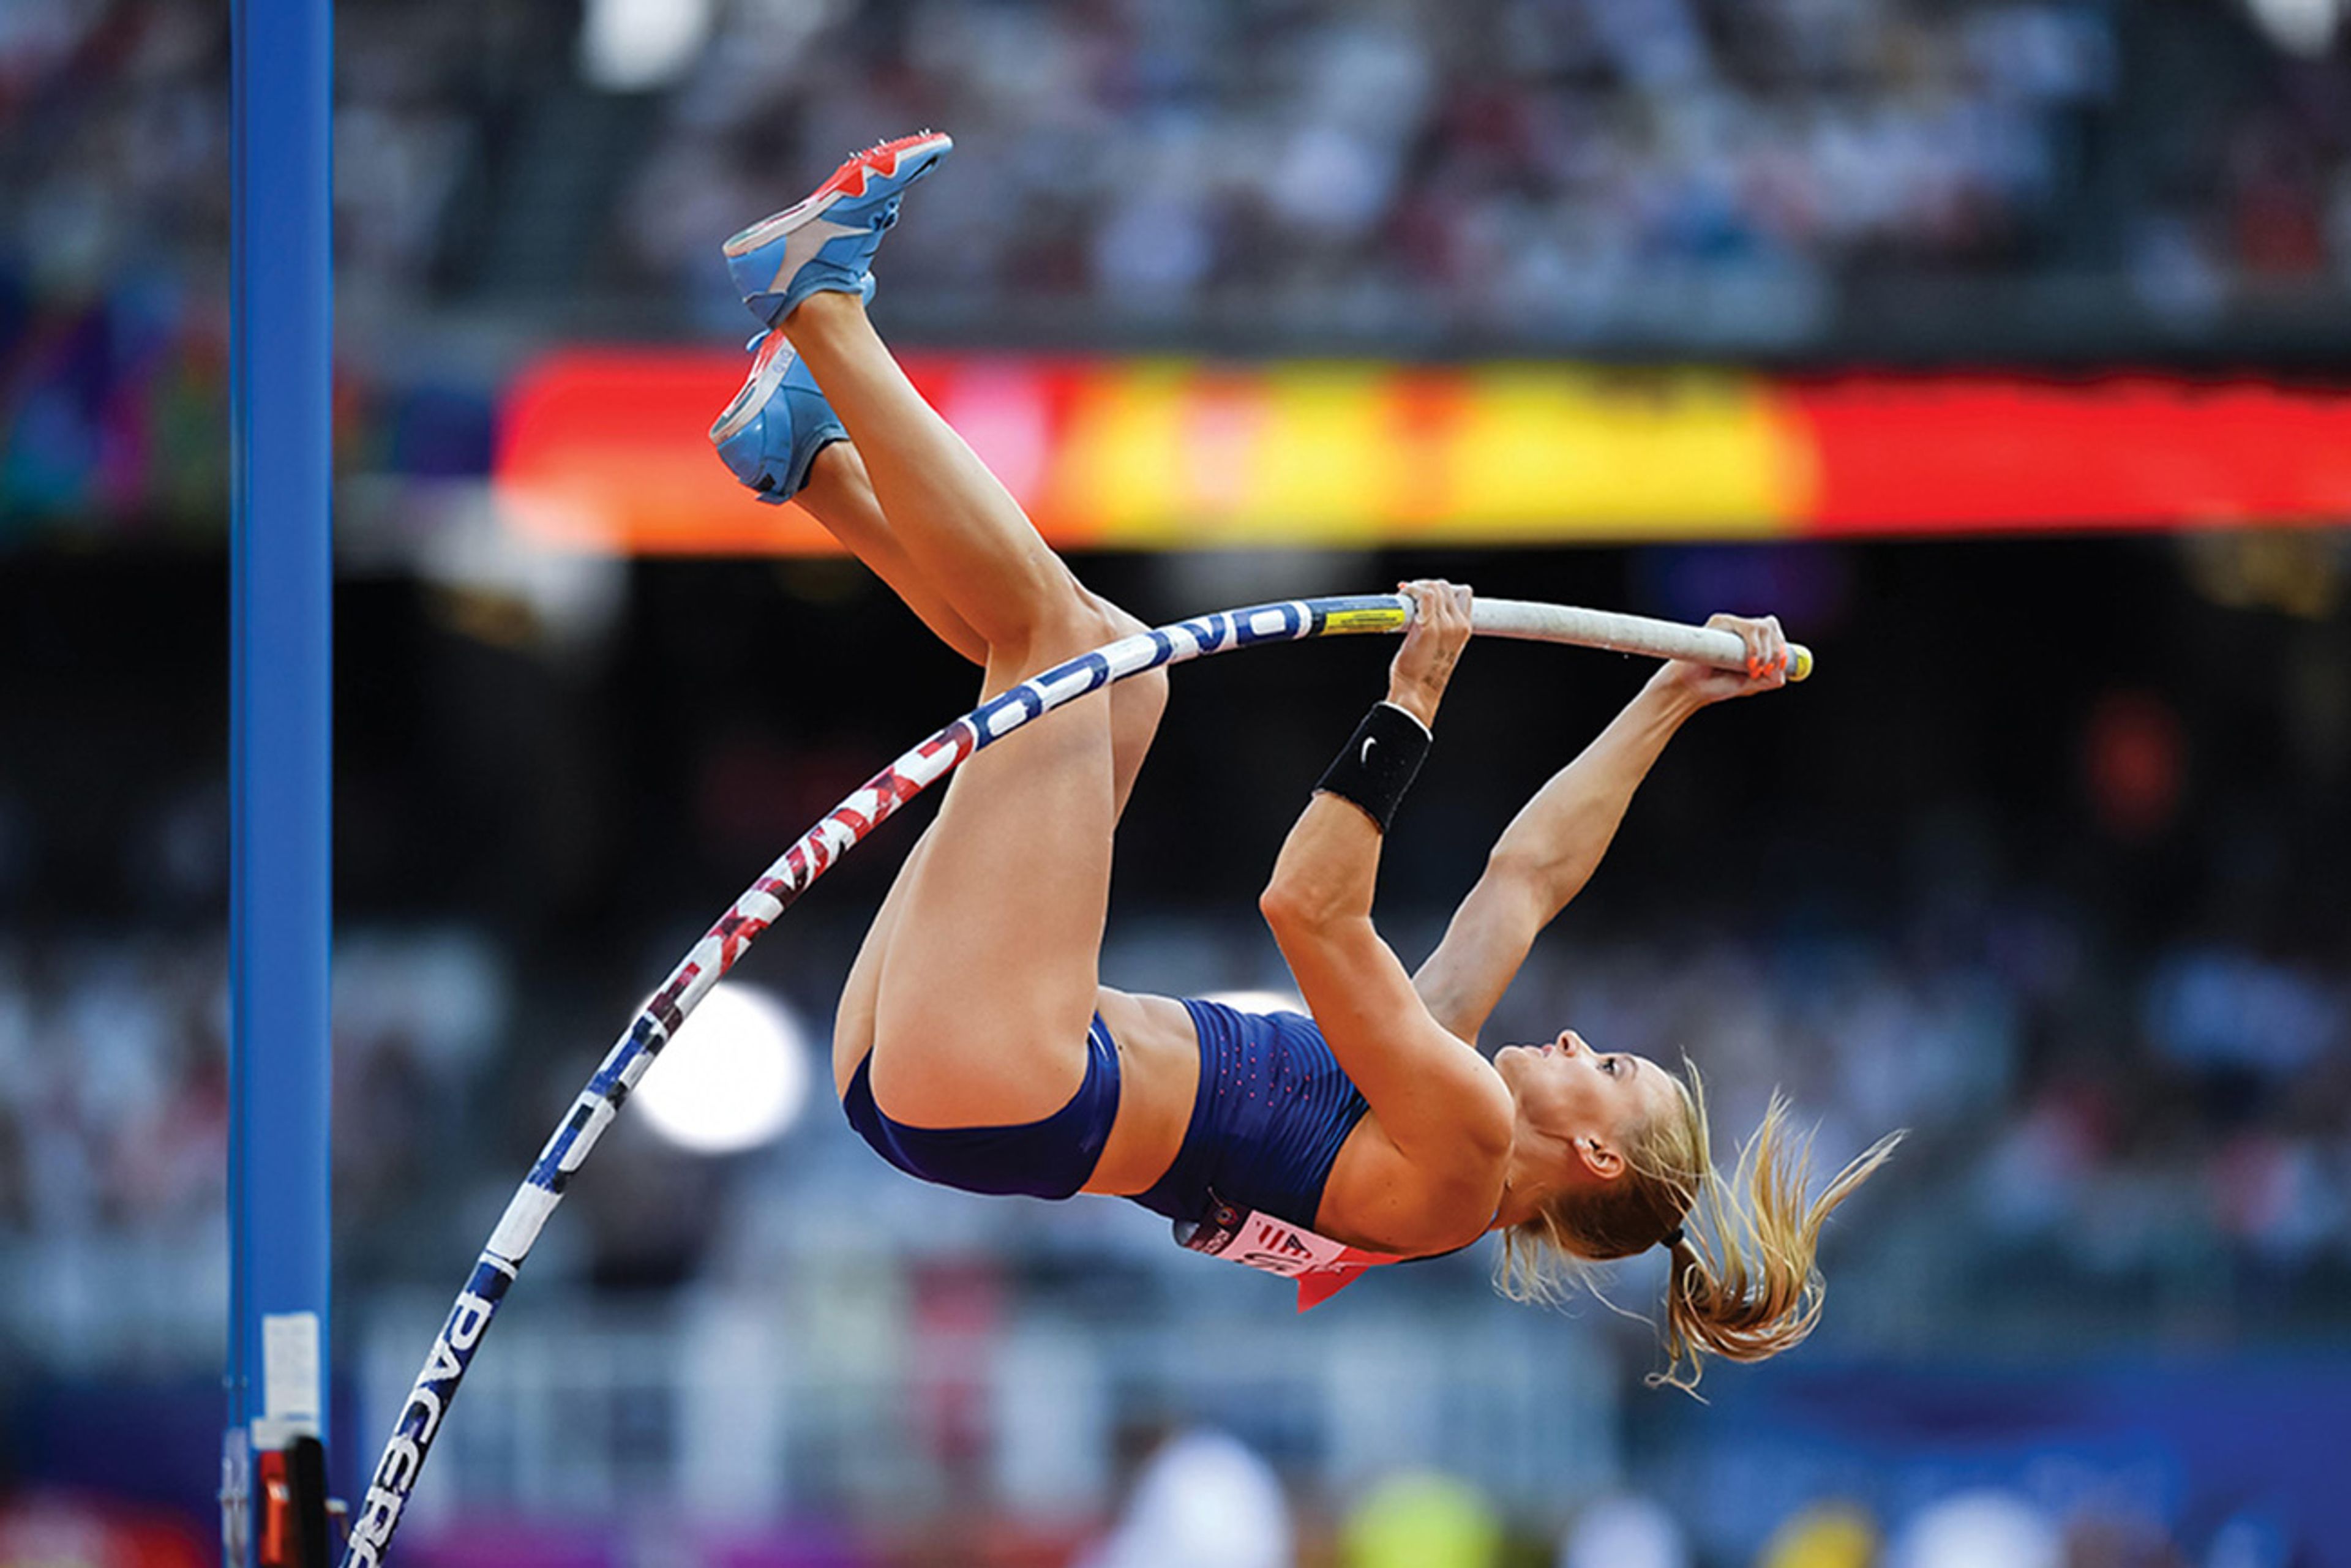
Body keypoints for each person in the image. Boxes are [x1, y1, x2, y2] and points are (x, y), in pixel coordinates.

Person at [708, 132, 1900, 1390]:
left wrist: (1412, 700)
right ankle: (812, 461)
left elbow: (1309, 907)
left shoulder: (1462, 1151)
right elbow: (1525, 880)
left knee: (1065, 643)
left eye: (1606, 1069)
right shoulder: (1431, 1083)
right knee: (1120, 671)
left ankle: (822, 304)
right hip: (959, 1081)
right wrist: (1671, 699)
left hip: (1011, 1076)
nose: (1572, 1037)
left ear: (1596, 1157)